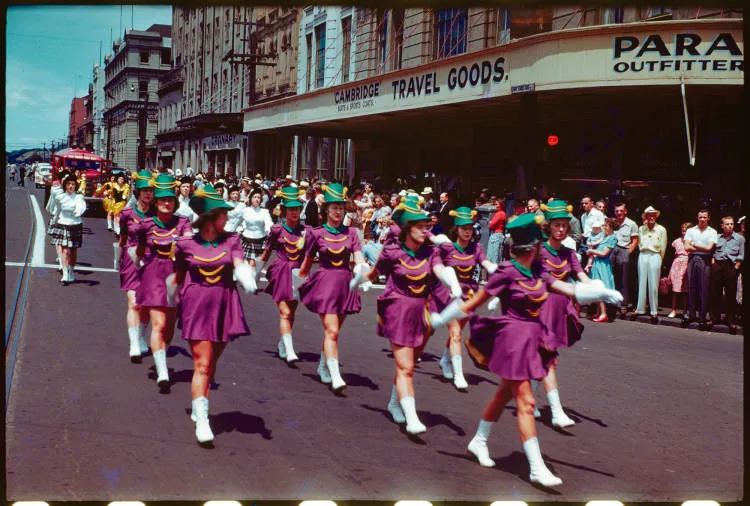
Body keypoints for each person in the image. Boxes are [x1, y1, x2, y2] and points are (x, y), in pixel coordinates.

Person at [429, 213, 622, 487]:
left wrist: (602, 293)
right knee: (527, 403)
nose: (543, 247)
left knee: (502, 394)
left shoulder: (539, 272)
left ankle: (479, 441)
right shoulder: (507, 272)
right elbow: (473, 303)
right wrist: (441, 319)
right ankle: (536, 467)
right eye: (540, 243)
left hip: (533, 339)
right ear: (531, 247)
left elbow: (569, 289)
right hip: (512, 341)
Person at [354, 199, 462, 434]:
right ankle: (412, 418)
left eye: (427, 225)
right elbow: (372, 274)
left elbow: (439, 269)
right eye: (421, 226)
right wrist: (355, 281)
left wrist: (451, 282)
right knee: (405, 367)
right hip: (398, 310)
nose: (427, 230)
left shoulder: (431, 252)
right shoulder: (391, 252)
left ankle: (395, 403)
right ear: (407, 229)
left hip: (422, 313)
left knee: (409, 364)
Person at [169, 183, 252, 445]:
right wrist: (171, 295)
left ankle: (199, 399)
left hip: (225, 304)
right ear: (210, 218)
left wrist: (246, 277)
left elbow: (238, 262)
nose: (227, 218)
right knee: (202, 364)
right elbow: (179, 276)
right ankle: (203, 419)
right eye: (223, 214)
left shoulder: (232, 240)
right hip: (196, 304)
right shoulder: (184, 244)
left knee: (211, 362)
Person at [295, 183, 367, 394]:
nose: (338, 211)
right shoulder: (316, 234)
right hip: (324, 285)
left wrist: (364, 273)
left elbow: (359, 258)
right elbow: (306, 265)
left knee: (332, 332)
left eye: (341, 208)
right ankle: (335, 376)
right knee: (332, 330)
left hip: (345, 285)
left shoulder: (352, 233)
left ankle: (322, 365)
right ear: (326, 209)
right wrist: (295, 287)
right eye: (334, 207)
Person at [533, 199, 596, 427]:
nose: (560, 229)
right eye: (556, 225)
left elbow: (582, 276)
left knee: (543, 358)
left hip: (561, 310)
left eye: (564, 225)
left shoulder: (570, 253)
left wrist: (600, 290)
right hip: (540, 308)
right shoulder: (538, 251)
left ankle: (527, 401)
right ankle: (557, 411)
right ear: (548, 226)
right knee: (548, 359)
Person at [130, 173, 192, 393]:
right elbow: (138, 251)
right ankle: (163, 372)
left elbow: (189, 243)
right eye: (162, 199)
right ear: (155, 201)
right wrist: (138, 265)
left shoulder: (183, 222)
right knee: (159, 323)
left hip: (176, 275)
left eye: (170, 199)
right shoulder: (146, 225)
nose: (166, 203)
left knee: (169, 327)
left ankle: (160, 358)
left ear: (175, 202)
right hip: (154, 273)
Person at [432, 207, 497, 391]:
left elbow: (485, 263)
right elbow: (436, 264)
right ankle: (459, 374)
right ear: (456, 229)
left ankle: (445, 360)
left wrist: (497, 271)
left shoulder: (476, 248)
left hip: (469, 295)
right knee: (456, 333)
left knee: (458, 331)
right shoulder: (447, 247)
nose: (468, 232)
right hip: (449, 294)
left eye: (470, 228)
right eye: (464, 228)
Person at [258, 186, 311, 363]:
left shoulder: (306, 231)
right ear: (284, 211)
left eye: (297, 209)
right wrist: (255, 275)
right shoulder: (276, 230)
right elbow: (266, 253)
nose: (294, 212)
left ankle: (283, 343)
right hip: (281, 271)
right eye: (291, 209)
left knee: (292, 311)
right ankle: (289, 350)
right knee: (284, 312)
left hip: (297, 272)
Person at [117, 170, 155, 362]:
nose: (148, 194)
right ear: (137, 192)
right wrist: (119, 258)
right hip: (131, 261)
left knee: (147, 304)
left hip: (151, 262)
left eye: (151, 190)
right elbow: (123, 237)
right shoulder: (127, 213)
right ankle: (133, 343)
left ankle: (141, 336)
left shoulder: (159, 215)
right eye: (144, 190)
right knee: (134, 302)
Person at [682, 209, 718, 330]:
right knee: (692, 287)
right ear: (697, 218)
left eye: (704, 217)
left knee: (704, 288)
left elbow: (709, 248)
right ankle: (692, 315)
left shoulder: (712, 232)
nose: (702, 219)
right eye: (700, 217)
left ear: (708, 218)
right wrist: (695, 247)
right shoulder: (691, 230)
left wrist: (695, 245)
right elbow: (686, 246)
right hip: (692, 259)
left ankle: (702, 317)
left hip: (705, 260)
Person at [632, 206, 668, 324]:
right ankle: (640, 308)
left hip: (655, 254)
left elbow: (663, 246)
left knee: (653, 284)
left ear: (656, 216)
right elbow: (639, 243)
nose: (651, 217)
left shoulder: (661, 229)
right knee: (641, 282)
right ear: (645, 217)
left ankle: (654, 311)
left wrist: (660, 260)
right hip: (643, 254)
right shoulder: (641, 228)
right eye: (649, 215)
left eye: (653, 215)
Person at [50, 173, 87, 283]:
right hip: (63, 223)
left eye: (73, 184)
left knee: (73, 250)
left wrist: (78, 212)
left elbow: (81, 206)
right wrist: (54, 219)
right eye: (69, 184)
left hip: (75, 224)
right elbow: (57, 209)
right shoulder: (60, 197)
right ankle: (65, 273)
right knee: (65, 250)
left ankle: (71, 271)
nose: (71, 186)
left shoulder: (78, 197)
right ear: (65, 185)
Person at [710, 216, 744, 333]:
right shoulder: (717, 238)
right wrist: (714, 265)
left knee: (730, 295)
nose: (730, 226)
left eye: (732, 224)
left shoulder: (739, 239)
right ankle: (714, 318)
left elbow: (741, 255)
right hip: (718, 266)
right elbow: (713, 253)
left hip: (731, 266)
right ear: (722, 226)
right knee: (715, 293)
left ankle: (730, 320)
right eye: (727, 224)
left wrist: (735, 268)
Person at [236, 188, 274, 279]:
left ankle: (253, 275)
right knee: (252, 263)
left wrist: (269, 230)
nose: (257, 199)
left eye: (259, 197)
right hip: (247, 239)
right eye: (254, 197)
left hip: (261, 240)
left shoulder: (264, 211)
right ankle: (252, 281)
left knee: (258, 263)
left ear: (261, 200)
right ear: (251, 199)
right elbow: (238, 222)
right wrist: (238, 229)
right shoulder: (245, 210)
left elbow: (269, 223)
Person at [586, 217, 618, 322]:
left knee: (601, 288)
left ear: (611, 227)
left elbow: (604, 253)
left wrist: (592, 251)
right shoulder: (605, 237)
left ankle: (604, 314)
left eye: (606, 226)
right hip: (597, 264)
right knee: (597, 287)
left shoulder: (612, 238)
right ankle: (598, 312)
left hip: (603, 265)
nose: (604, 227)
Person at [611, 202, 639, 316]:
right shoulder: (612, 223)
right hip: (612, 250)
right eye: (617, 211)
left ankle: (623, 305)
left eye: (621, 211)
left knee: (624, 280)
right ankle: (613, 303)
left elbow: (635, 241)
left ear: (625, 211)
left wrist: (627, 253)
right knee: (612, 278)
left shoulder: (631, 224)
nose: (618, 213)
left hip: (624, 250)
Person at [46, 169, 70, 273]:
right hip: (58, 217)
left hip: (68, 219)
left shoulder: (72, 190)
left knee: (66, 242)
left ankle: (63, 260)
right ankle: (61, 262)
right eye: (64, 178)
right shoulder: (55, 190)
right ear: (60, 180)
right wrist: (52, 213)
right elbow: (52, 203)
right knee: (58, 241)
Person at [667, 222, 692, 318]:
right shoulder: (676, 241)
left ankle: (685, 311)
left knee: (685, 290)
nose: (684, 233)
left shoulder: (692, 242)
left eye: (687, 231)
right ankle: (673, 310)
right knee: (675, 289)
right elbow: (672, 254)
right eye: (683, 231)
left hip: (687, 264)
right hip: (677, 265)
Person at [486, 197, 507, 264]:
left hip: (495, 236)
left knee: (493, 258)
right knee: (498, 256)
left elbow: (490, 225)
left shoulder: (499, 214)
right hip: (500, 235)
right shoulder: (504, 213)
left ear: (501, 205)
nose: (495, 206)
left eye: (497, 204)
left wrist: (490, 222)